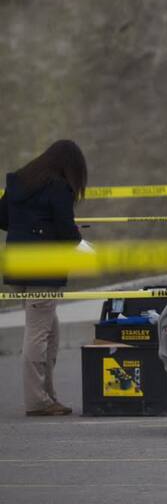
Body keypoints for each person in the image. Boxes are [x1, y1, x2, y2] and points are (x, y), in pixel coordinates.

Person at [0, 140, 88, 417]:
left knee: (50, 330)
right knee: (38, 333)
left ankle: (47, 395)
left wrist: (28, 229)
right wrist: (76, 239)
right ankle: (37, 401)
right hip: (42, 268)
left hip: (17, 263)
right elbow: (65, 230)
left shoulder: (20, 181)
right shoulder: (58, 187)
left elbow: (2, 218)